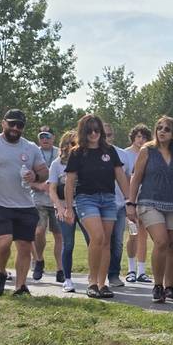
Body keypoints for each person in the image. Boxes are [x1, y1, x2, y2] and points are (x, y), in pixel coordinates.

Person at [0, 109, 48, 296]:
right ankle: (0, 272)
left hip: (25, 204)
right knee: (4, 241)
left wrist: (35, 175)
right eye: (12, 123)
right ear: (3, 123)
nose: (15, 128)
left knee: (24, 246)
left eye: (20, 125)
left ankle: (20, 286)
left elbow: (44, 171)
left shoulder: (30, 147)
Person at [127, 116, 173, 303]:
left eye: (166, 129)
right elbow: (136, 177)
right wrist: (130, 204)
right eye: (159, 128)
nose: (162, 131)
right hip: (149, 202)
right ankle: (157, 286)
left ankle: (169, 287)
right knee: (161, 242)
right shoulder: (147, 150)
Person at [62, 114, 130, 298]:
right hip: (86, 199)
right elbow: (69, 182)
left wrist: (129, 200)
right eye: (89, 130)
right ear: (83, 132)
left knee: (106, 242)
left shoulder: (109, 151)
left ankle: (102, 283)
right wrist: (68, 208)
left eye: (97, 130)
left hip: (108, 199)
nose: (94, 134)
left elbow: (120, 176)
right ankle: (92, 282)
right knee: (97, 237)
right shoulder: (77, 153)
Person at [47, 131, 79, 292]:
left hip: (83, 205)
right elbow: (52, 189)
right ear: (65, 146)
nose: (75, 147)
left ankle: (95, 278)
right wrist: (60, 208)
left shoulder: (84, 161)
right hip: (64, 207)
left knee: (93, 241)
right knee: (68, 243)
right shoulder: (57, 164)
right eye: (73, 144)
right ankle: (67, 279)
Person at [30, 126, 63, 282]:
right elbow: (25, 178)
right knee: (38, 232)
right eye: (42, 136)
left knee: (59, 234)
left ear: (53, 138)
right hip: (39, 199)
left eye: (47, 136)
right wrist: (39, 186)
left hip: (57, 200)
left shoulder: (61, 153)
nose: (45, 139)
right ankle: (39, 260)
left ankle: (60, 269)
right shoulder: (33, 152)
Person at [103, 122, 134, 288]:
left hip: (120, 204)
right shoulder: (92, 153)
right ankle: (99, 274)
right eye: (103, 134)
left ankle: (113, 274)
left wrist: (130, 202)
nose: (106, 138)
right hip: (100, 205)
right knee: (101, 241)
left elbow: (129, 179)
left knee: (118, 241)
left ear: (113, 136)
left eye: (108, 135)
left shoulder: (122, 154)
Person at [124, 124, 152, 283]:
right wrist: (129, 200)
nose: (141, 140)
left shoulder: (150, 153)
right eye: (138, 136)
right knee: (133, 234)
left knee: (143, 235)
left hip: (146, 198)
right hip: (130, 199)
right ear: (133, 137)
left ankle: (142, 271)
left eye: (144, 137)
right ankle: (131, 269)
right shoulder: (126, 154)